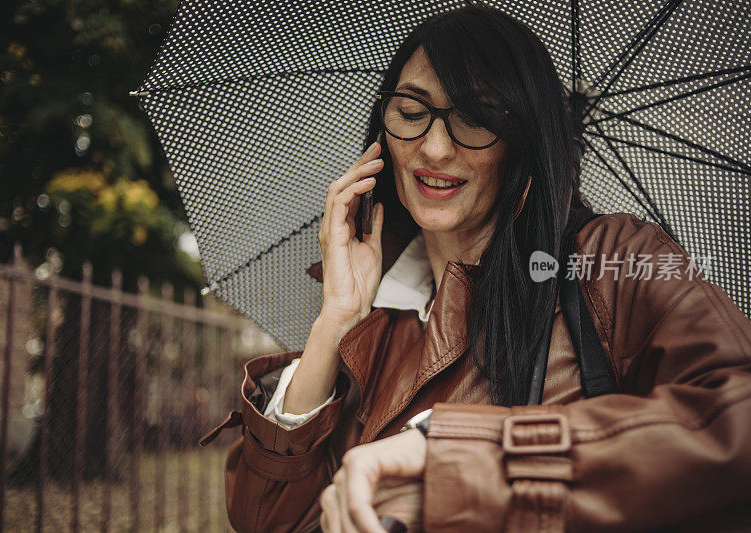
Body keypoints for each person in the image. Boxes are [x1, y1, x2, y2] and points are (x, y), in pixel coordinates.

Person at [200, 5, 751, 532]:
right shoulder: (378, 315)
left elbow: (736, 416)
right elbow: (270, 521)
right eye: (412, 114)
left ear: (522, 138)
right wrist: (334, 321)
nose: (434, 148)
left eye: (476, 118)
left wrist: (457, 457)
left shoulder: (615, 260)